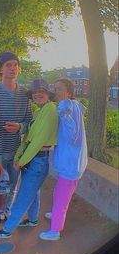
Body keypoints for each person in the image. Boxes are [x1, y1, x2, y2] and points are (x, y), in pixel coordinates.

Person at [0, 79, 58, 239]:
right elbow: (27, 138)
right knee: (34, 192)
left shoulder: (50, 110)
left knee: (23, 196)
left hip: (38, 159)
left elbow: (37, 142)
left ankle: (6, 230)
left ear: (48, 93)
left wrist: (21, 161)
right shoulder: (40, 111)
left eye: (41, 91)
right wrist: (19, 156)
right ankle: (32, 219)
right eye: (35, 92)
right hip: (33, 159)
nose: (38, 94)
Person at [0, 51, 32, 226]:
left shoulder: (25, 95)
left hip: (16, 150)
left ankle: (6, 209)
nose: (13, 68)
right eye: (8, 65)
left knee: (12, 184)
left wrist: (20, 127)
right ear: (0, 71)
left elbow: (29, 121)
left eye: (15, 64)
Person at [39, 77, 88, 241]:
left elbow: (74, 135)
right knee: (61, 193)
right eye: (55, 88)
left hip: (71, 163)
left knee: (61, 197)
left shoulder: (65, 106)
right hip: (72, 161)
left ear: (69, 92)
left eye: (59, 89)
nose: (55, 92)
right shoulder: (74, 105)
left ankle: (55, 231)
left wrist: (63, 115)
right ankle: (55, 215)